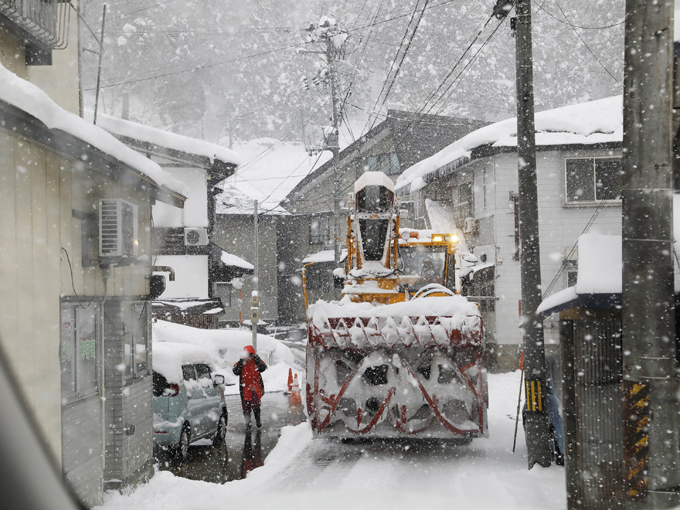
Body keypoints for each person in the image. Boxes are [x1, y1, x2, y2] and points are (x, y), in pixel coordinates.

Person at [233, 345, 267, 429]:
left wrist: (256, 358)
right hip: (245, 390)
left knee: (256, 407)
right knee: (246, 409)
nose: (249, 356)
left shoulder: (256, 361)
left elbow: (263, 367)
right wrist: (241, 360)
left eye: (250, 354)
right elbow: (236, 371)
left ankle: (258, 421)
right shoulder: (241, 362)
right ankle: (248, 424)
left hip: (255, 389)